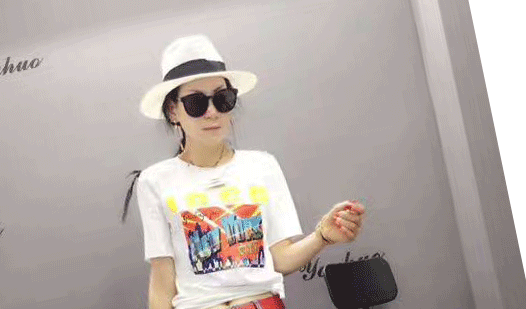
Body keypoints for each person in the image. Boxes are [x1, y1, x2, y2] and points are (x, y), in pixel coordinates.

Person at [122, 35, 366, 309]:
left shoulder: (262, 166)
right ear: (173, 111)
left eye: (222, 99)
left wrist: (322, 237)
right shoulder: (155, 181)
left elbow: (280, 259)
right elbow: (162, 279)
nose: (212, 112)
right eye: (196, 103)